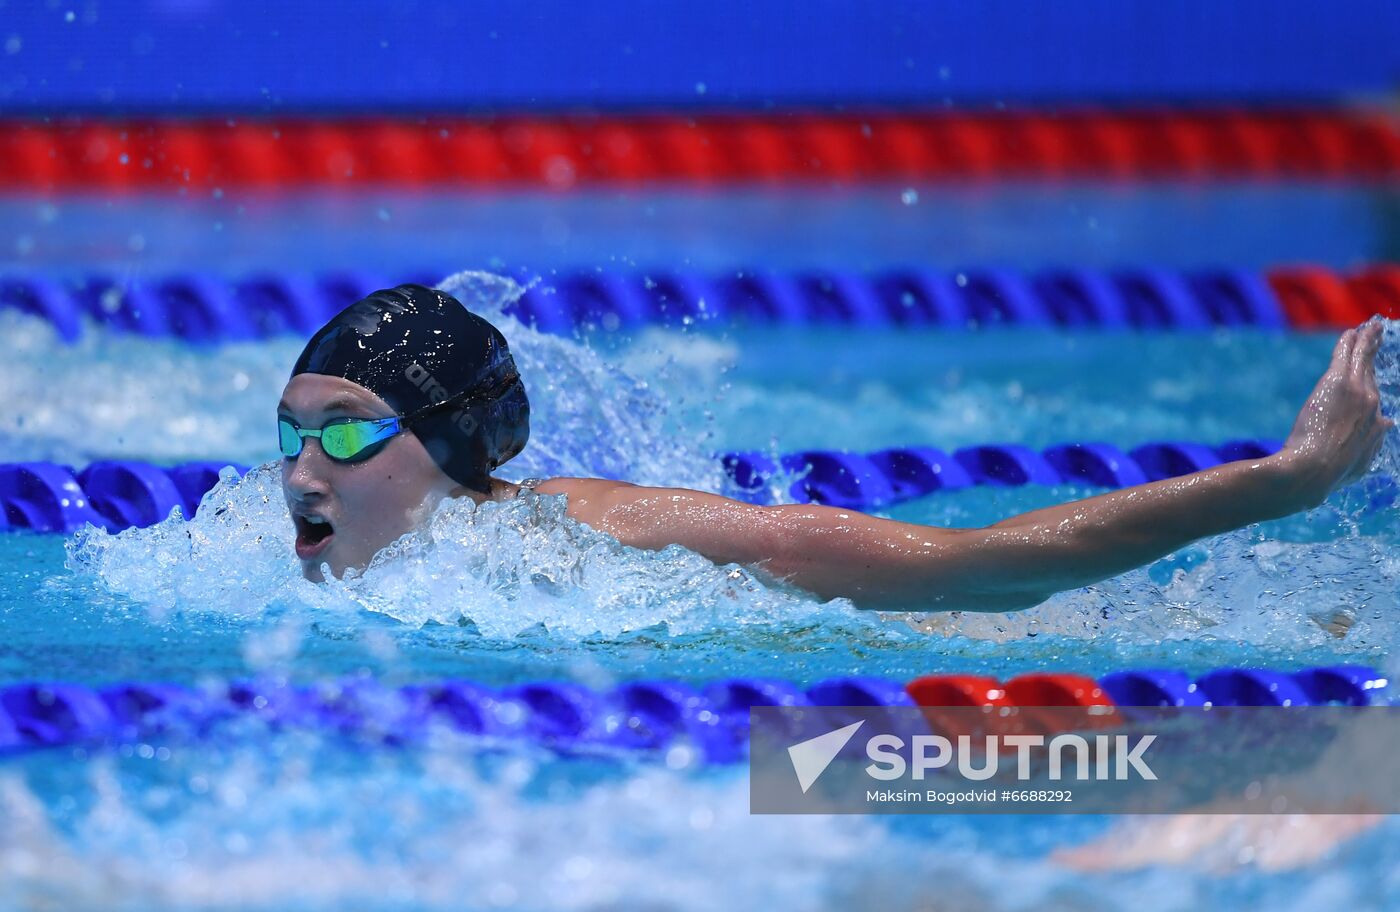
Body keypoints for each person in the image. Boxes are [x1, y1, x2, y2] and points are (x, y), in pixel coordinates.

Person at [278, 283, 1392, 610]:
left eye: (340, 430)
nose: (299, 470)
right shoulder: (268, 562)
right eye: (289, 432)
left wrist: (1285, 481)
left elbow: (975, 564)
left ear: (447, 442)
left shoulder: (589, 534)